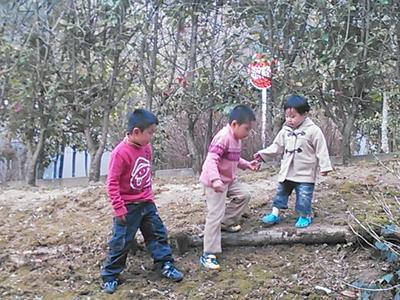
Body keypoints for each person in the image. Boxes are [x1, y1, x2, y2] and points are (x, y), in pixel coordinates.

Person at [100, 109, 183, 294]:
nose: (151, 137)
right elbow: (112, 183)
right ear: (136, 132)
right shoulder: (120, 153)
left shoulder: (146, 148)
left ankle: (165, 264)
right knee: (121, 241)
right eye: (150, 133)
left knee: (157, 233)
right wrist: (119, 208)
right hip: (127, 207)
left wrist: (149, 196)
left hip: (146, 202)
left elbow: (146, 174)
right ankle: (110, 275)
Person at [254, 95, 333, 228]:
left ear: (305, 114)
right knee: (281, 193)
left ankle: (305, 215)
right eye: (287, 116)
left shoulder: (313, 131)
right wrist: (262, 155)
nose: (289, 120)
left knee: (304, 196)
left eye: (293, 116)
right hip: (287, 171)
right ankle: (275, 213)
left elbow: (322, 150)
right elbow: (276, 146)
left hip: (305, 173)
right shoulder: (285, 131)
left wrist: (324, 167)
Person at [199, 104, 260, 270]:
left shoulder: (237, 139)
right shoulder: (223, 137)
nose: (248, 133)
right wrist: (216, 180)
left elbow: (235, 158)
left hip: (228, 180)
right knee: (214, 215)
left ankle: (226, 223)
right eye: (246, 129)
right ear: (234, 124)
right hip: (214, 182)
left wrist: (247, 165)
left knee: (244, 195)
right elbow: (211, 160)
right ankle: (208, 254)